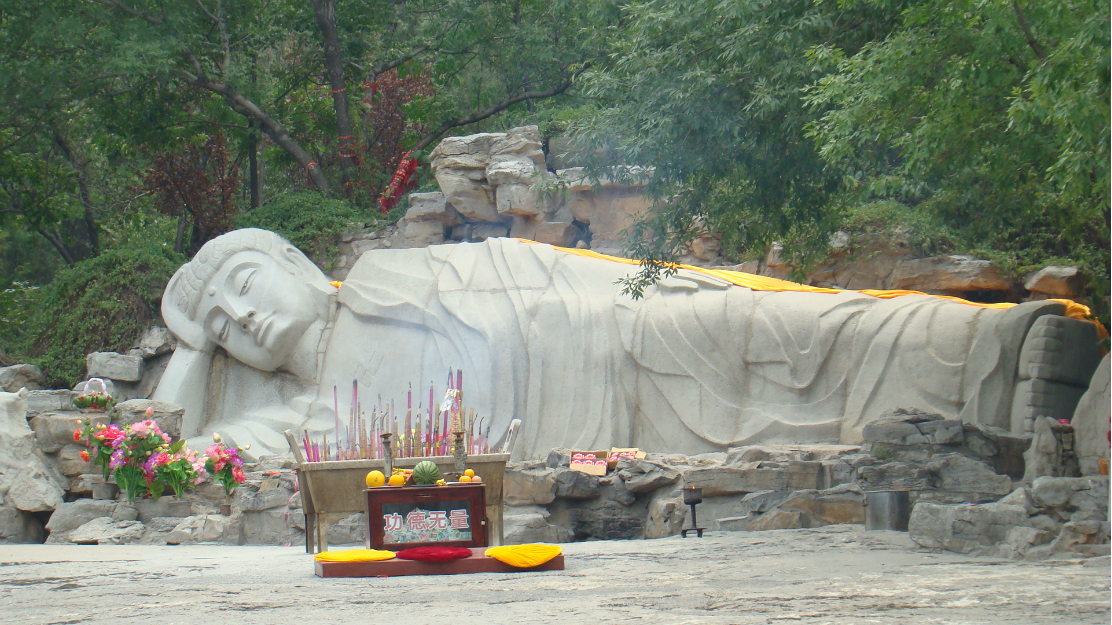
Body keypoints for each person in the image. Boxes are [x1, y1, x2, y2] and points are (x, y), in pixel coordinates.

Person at [156, 228, 1083, 458]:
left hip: (611, 318)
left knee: (777, 322)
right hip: (600, 420)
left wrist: (648, 284)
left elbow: (536, 265)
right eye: (228, 329)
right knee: (782, 418)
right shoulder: (311, 421)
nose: (245, 320)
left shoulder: (387, 273)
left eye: (246, 286)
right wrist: (194, 346)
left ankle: (999, 346)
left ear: (293, 260)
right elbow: (177, 451)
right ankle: (990, 399)